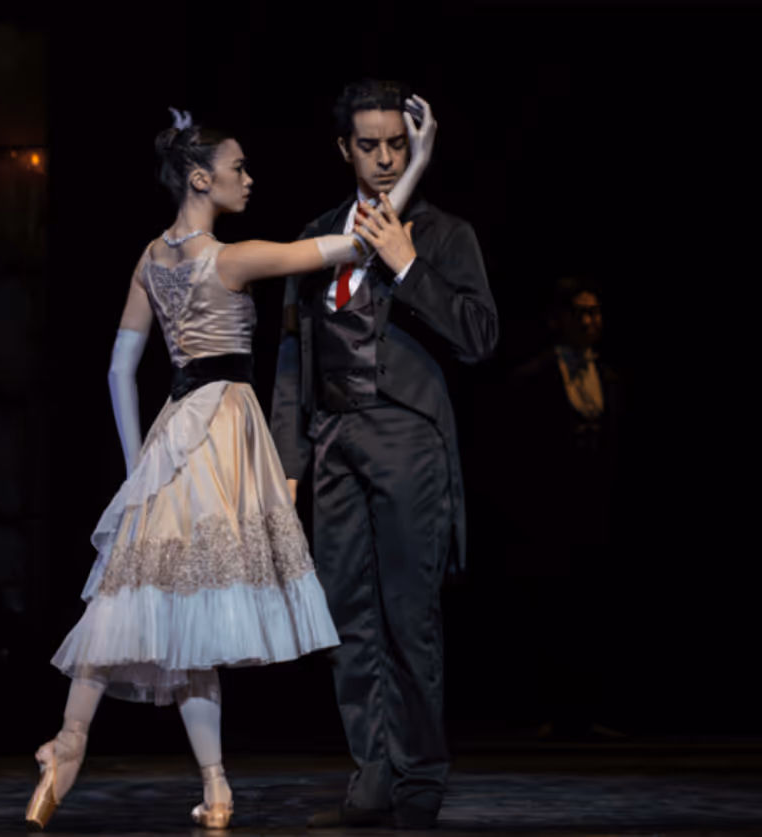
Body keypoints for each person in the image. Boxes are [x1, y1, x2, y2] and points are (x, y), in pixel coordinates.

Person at [27, 101, 434, 831]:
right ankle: (192, 777)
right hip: (220, 431)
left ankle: (91, 750)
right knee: (192, 606)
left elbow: (121, 370)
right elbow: (351, 248)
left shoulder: (150, 257)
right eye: (237, 168)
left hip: (170, 436)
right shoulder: (232, 258)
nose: (249, 177)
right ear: (199, 178)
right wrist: (418, 168)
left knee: (156, 601)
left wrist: (135, 469)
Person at [269, 79, 496, 830]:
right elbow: (292, 357)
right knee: (344, 616)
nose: (385, 158)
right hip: (334, 438)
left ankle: (420, 773)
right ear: (345, 149)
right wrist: (287, 459)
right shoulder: (316, 232)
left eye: (397, 143)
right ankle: (372, 769)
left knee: (408, 613)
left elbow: (478, 335)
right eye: (369, 144)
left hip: (406, 437)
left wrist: (406, 264)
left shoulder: (441, 232)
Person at [506, 276, 626, 741]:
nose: (589, 322)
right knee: (550, 614)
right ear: (558, 319)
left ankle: (589, 709)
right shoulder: (532, 378)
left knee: (593, 613)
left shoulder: (612, 379)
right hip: (549, 519)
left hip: (598, 516)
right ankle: (550, 711)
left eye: (595, 313)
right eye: (580, 313)